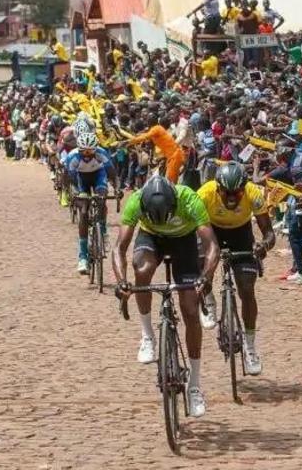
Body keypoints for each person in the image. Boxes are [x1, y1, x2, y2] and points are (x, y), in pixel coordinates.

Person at [112, 176, 220, 418]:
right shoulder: (136, 200)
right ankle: (147, 335)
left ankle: (194, 385)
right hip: (151, 238)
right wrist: (121, 282)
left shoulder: (189, 198)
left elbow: (212, 245)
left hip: (184, 241)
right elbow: (119, 248)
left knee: (191, 310)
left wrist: (206, 276)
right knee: (142, 270)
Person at [197, 162, 275, 374]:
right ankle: (209, 300)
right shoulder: (204, 194)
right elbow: (191, 229)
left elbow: (269, 233)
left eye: (237, 193)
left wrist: (263, 245)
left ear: (244, 188)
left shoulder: (253, 193)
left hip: (241, 235)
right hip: (211, 231)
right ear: (217, 188)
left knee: (247, 289)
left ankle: (250, 348)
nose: (232, 198)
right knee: (200, 267)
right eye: (226, 193)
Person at [64, 130, 113, 274]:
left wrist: (117, 189)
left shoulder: (101, 153)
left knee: (101, 199)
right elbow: (69, 179)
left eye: (90, 151)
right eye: (84, 151)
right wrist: (73, 194)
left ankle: (103, 232)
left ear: (95, 148)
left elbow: (112, 173)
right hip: (80, 180)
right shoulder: (72, 157)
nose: (86, 155)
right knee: (84, 212)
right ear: (79, 149)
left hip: (99, 176)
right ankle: (83, 257)